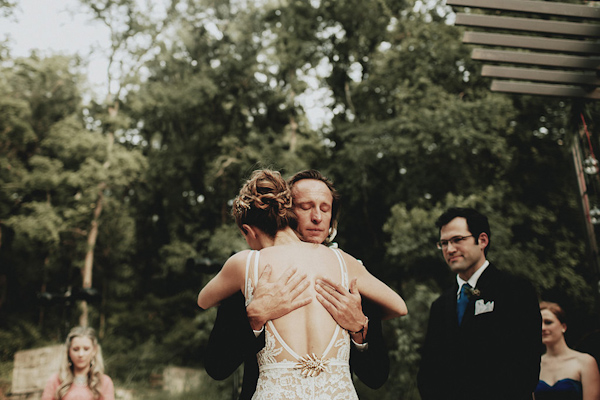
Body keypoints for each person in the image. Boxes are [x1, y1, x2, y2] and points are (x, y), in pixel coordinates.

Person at [197, 169, 407, 399]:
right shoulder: (252, 276)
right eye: (305, 207)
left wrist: (359, 328)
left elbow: (376, 377)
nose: (317, 217)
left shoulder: (352, 280)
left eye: (325, 209)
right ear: (285, 211)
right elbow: (217, 367)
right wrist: (253, 317)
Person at [417, 207, 541, 400]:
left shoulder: (515, 290)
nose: (449, 249)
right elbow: (429, 372)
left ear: (482, 240)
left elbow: (526, 364)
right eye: (443, 243)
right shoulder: (440, 305)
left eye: (458, 240)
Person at [534, 301, 600, 400]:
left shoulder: (585, 362)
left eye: (548, 322)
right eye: (539, 324)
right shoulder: (535, 365)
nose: (542, 328)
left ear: (563, 327)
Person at [41, 326, 114, 400]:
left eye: (86, 349)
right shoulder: (55, 381)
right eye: (76, 349)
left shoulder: (104, 382)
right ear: (69, 352)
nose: (81, 354)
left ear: (94, 350)